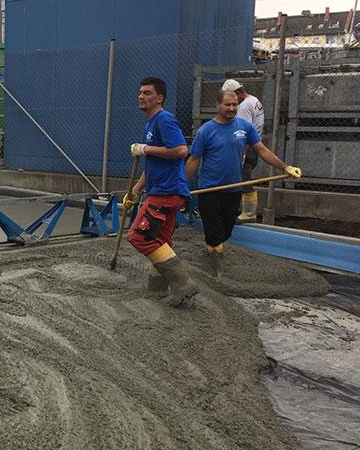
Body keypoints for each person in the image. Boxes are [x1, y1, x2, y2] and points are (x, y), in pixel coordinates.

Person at [185, 90, 301, 276]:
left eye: (234, 105)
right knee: (214, 230)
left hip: (232, 188)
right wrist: (181, 185)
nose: (231, 108)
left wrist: (285, 168)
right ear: (218, 105)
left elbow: (263, 151)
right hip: (210, 189)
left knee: (227, 229)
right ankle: (217, 263)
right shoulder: (206, 130)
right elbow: (193, 160)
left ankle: (213, 248)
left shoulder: (245, 127)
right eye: (227, 105)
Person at [123, 77, 197, 307]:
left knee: (138, 236)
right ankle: (157, 289)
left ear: (159, 98)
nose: (141, 96)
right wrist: (135, 190)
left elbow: (181, 150)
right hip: (163, 190)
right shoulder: (150, 124)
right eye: (140, 92)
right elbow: (153, 163)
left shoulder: (164, 120)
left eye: (146, 93)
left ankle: (183, 285)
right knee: (160, 240)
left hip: (166, 192)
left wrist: (145, 148)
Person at [221, 79, 265, 222]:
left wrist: (243, 154)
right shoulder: (254, 100)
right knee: (243, 177)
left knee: (243, 177)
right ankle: (246, 211)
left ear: (238, 93)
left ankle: (249, 214)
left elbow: (243, 134)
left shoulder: (244, 107)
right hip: (255, 142)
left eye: (232, 97)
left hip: (248, 146)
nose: (231, 101)